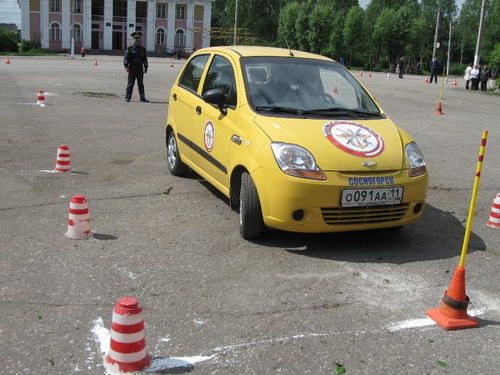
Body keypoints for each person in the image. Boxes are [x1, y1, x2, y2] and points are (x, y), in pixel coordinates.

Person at [123, 31, 149, 102]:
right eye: (135, 38)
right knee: (131, 83)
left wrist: (146, 67)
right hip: (132, 68)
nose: (137, 40)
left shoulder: (142, 49)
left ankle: (142, 97)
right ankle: (128, 97)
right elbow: (126, 58)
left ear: (140, 39)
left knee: (141, 84)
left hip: (139, 68)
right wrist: (126, 67)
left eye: (138, 38)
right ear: (133, 39)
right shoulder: (129, 49)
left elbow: (144, 59)